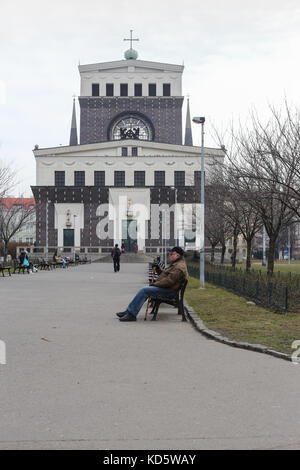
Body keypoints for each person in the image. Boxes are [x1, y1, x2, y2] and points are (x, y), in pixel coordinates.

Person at [116, 246, 188, 321]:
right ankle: (129, 311)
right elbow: (166, 275)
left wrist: (155, 284)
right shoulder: (177, 264)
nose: (170, 255)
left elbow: (169, 281)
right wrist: (158, 269)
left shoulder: (179, 267)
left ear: (178, 255)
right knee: (145, 290)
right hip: (168, 289)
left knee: (144, 290)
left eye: (172, 254)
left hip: (169, 292)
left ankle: (131, 314)